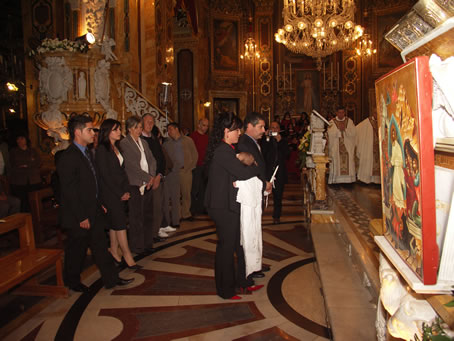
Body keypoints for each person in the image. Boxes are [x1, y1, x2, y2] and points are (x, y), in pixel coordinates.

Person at [57, 114, 133, 292]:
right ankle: (72, 281)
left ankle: (112, 279)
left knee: (100, 247)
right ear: (77, 132)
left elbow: (94, 182)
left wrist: (100, 202)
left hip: (94, 209)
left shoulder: (87, 153)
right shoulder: (68, 157)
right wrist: (81, 216)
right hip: (79, 214)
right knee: (77, 250)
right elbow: (70, 191)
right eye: (89, 130)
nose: (93, 133)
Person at [204, 112, 263, 300]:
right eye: (236, 129)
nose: (239, 132)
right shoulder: (223, 150)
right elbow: (245, 173)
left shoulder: (228, 149)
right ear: (226, 131)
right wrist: (253, 163)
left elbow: (238, 173)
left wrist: (245, 163)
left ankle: (242, 281)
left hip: (229, 203)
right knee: (226, 248)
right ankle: (225, 290)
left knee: (238, 244)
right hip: (222, 206)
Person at [96, 119, 141, 269]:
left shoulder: (117, 147)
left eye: (118, 129)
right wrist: (119, 193)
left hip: (120, 190)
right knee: (121, 224)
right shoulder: (102, 149)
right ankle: (127, 255)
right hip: (110, 193)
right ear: (107, 132)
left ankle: (114, 251)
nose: (118, 132)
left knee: (115, 224)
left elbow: (122, 171)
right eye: (115, 130)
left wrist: (126, 189)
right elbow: (105, 175)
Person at [237, 112, 271, 278]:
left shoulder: (254, 142)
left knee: (256, 231)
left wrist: (265, 183)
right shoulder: (244, 142)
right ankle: (249, 267)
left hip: (258, 189)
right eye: (260, 127)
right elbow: (250, 168)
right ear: (249, 126)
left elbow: (260, 165)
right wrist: (264, 183)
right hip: (250, 192)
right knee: (249, 231)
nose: (264, 130)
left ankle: (255, 264)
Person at [120, 116, 157, 254]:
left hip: (148, 183)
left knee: (148, 215)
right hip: (135, 184)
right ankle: (137, 246)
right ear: (129, 129)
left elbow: (152, 160)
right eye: (136, 127)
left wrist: (151, 177)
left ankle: (148, 244)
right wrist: (148, 178)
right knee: (136, 217)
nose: (139, 130)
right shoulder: (125, 143)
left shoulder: (144, 142)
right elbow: (131, 166)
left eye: (140, 127)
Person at [141, 113, 176, 240]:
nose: (150, 124)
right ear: (142, 123)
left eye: (152, 122)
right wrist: (151, 177)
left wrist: (159, 175)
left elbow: (161, 159)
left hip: (158, 178)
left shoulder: (155, 139)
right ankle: (149, 234)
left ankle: (155, 233)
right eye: (147, 122)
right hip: (145, 180)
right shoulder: (139, 139)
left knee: (158, 207)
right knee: (148, 209)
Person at [163, 123, 198, 222]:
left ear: (176, 129)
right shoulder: (167, 144)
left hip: (185, 171)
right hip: (173, 173)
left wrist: (190, 167)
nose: (169, 132)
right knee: (175, 195)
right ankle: (176, 215)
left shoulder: (188, 141)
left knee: (186, 194)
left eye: (170, 129)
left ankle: (186, 214)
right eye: (168, 130)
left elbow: (194, 154)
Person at [261, 121, 290, 224]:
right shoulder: (265, 140)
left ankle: (276, 216)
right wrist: (265, 138)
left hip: (279, 172)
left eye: (276, 128)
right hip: (267, 171)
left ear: (279, 129)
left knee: (278, 196)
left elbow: (287, 154)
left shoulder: (283, 140)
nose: (274, 130)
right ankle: (259, 214)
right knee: (262, 195)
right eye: (272, 128)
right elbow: (262, 153)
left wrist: (280, 142)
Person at [9, 133, 42, 212]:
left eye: (22, 139)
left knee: (34, 201)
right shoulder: (14, 151)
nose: (19, 141)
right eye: (18, 139)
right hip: (19, 181)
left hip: (33, 180)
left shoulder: (32, 151)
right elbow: (16, 163)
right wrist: (30, 162)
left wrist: (27, 164)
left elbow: (38, 162)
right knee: (23, 202)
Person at [327, 106, 357, 184]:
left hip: (347, 146)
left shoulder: (349, 121)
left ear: (344, 113)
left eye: (343, 112)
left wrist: (345, 130)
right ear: (336, 113)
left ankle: (349, 179)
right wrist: (338, 131)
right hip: (336, 146)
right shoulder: (332, 122)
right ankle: (336, 179)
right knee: (336, 160)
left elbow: (354, 132)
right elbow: (329, 133)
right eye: (339, 112)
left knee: (349, 160)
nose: (341, 114)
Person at [190, 118, 209, 215]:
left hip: (205, 166)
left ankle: (202, 207)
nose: (205, 127)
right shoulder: (193, 136)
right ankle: (193, 209)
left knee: (204, 188)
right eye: (204, 125)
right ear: (199, 125)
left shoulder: (207, 137)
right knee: (195, 188)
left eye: (207, 126)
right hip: (196, 166)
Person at [356, 110, 381, 184]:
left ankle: (378, 180)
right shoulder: (367, 123)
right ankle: (369, 179)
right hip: (370, 148)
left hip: (379, 147)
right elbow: (356, 129)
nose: (377, 115)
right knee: (369, 162)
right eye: (376, 113)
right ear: (373, 113)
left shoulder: (381, 122)